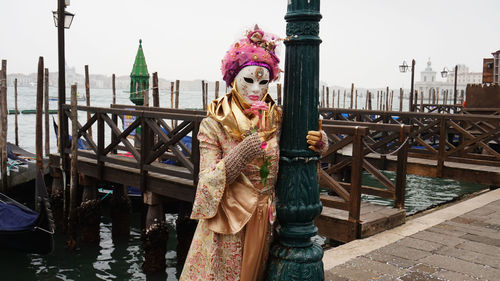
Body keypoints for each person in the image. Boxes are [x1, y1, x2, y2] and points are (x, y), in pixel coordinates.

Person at [179, 25, 328, 281]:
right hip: (229, 222)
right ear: (233, 79)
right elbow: (206, 182)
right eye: (248, 80)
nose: (256, 90)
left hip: (266, 218)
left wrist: (320, 142)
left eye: (263, 82)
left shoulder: (278, 118)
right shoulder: (213, 124)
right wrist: (243, 152)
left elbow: (300, 144)